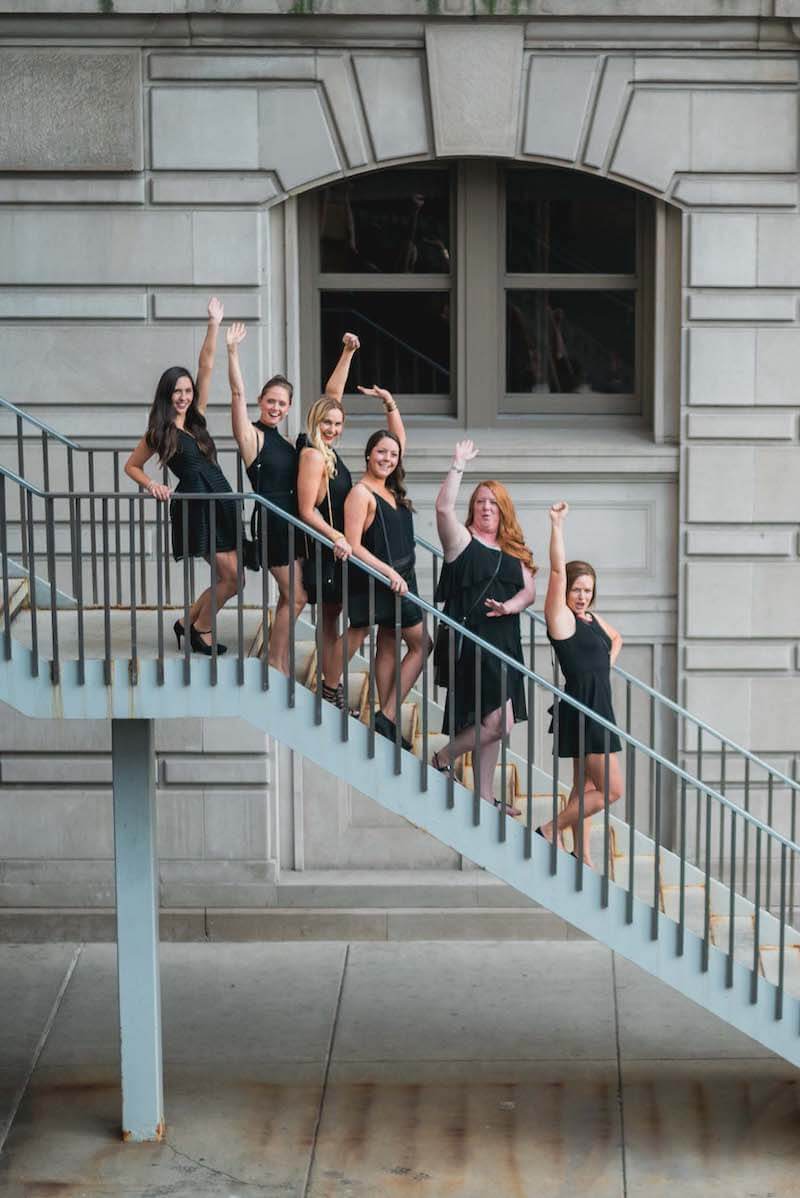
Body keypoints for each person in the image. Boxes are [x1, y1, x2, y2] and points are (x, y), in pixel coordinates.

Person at [225, 325, 360, 674]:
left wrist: (346, 354)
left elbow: (332, 398)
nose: (276, 407)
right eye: (270, 401)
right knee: (297, 596)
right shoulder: (252, 437)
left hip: (295, 527)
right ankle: (273, 662)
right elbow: (237, 394)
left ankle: (278, 659)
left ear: (288, 408)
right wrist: (232, 352)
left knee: (291, 597)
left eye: (282, 403)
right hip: (273, 525)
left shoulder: (291, 441)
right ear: (261, 401)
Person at [125, 297, 238, 656]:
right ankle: (199, 630)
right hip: (195, 505)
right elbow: (131, 466)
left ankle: (187, 622)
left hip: (218, 496)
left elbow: (206, 366)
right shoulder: (158, 432)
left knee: (234, 577)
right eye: (178, 391)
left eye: (188, 391)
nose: (185, 397)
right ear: (166, 394)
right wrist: (153, 485)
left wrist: (213, 326)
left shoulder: (196, 420)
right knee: (232, 579)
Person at [432, 441, 537, 815]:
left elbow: (529, 591)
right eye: (480, 502)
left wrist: (510, 605)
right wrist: (457, 464)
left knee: (490, 719)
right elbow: (444, 507)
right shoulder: (462, 542)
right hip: (472, 640)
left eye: (493, 503)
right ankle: (443, 758)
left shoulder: (514, 552)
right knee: (498, 722)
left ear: (504, 510)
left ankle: (485, 797)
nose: (486, 508)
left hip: (504, 642)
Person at [295, 374, 403, 709]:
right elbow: (306, 510)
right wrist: (337, 536)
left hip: (337, 551)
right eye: (327, 422)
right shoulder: (313, 455)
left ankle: (332, 686)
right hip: (332, 550)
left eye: (338, 423)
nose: (333, 428)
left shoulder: (326, 452)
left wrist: (388, 404)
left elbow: (396, 446)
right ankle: (330, 688)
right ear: (315, 421)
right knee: (356, 623)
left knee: (335, 620)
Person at [537, 501, 624, 866]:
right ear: (565, 591)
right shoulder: (563, 621)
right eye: (576, 589)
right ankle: (549, 830)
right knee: (611, 791)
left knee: (586, 787)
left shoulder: (590, 619)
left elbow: (617, 639)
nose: (582, 595)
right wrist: (557, 525)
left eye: (588, 590)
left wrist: (604, 666)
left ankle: (582, 854)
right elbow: (557, 569)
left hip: (598, 707)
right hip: (585, 708)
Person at [342, 393, 430, 747]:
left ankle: (386, 719)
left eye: (393, 455)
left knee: (391, 643)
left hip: (404, 576)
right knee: (423, 643)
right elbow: (353, 546)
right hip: (384, 578)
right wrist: (387, 573)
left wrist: (390, 405)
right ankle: (388, 714)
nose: (388, 459)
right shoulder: (361, 493)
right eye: (381, 452)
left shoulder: (389, 486)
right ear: (367, 454)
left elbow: (399, 442)